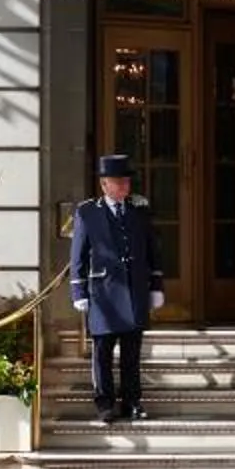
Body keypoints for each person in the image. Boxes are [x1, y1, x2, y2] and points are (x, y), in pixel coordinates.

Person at [67, 152, 163, 425]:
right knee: (103, 353)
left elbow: (153, 251)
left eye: (126, 182)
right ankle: (105, 404)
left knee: (132, 353)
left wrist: (156, 286)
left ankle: (132, 402)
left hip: (134, 291)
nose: (124, 187)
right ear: (104, 185)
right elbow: (78, 257)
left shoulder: (139, 209)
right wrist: (79, 292)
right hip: (103, 294)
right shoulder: (87, 212)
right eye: (117, 182)